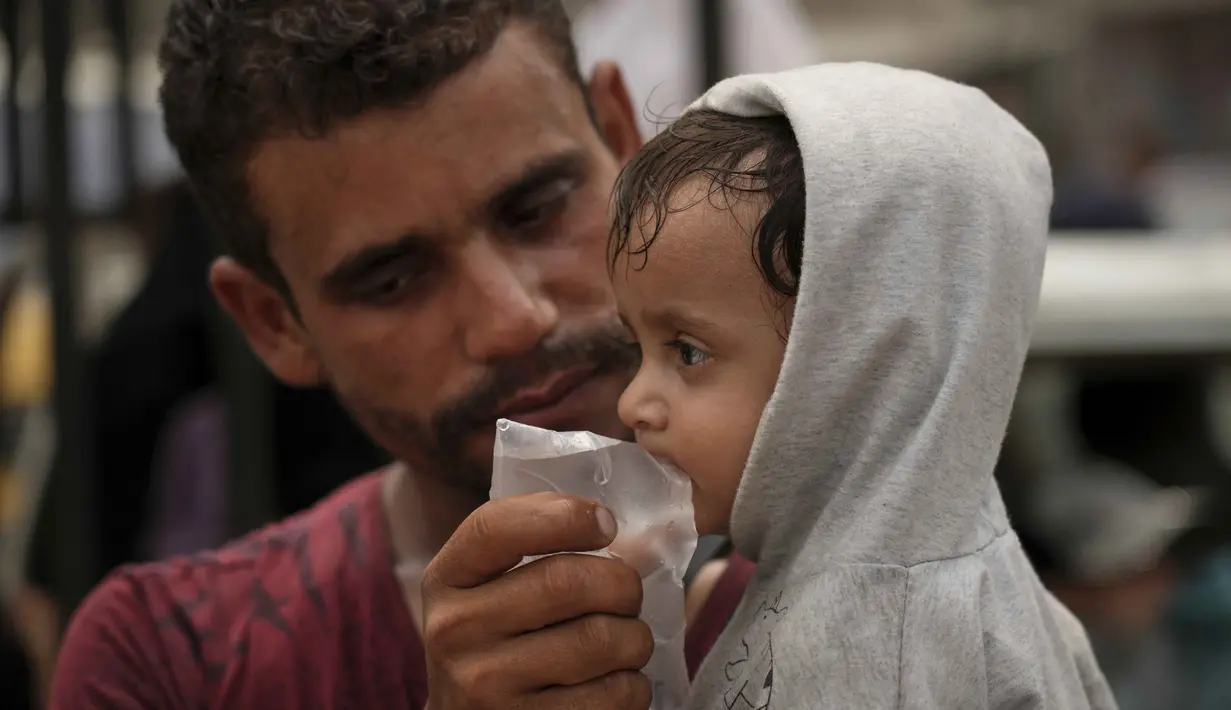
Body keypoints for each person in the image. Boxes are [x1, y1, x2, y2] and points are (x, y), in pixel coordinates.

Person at [49, 2, 754, 709]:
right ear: (274, 325)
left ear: (623, 138)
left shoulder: (852, 542)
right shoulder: (167, 669)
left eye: (537, 208)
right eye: (392, 280)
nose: (509, 319)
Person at [608, 63, 1118, 708]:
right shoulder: (936, 581)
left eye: (687, 352)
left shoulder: (878, 638)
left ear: (854, 365)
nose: (633, 403)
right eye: (636, 348)